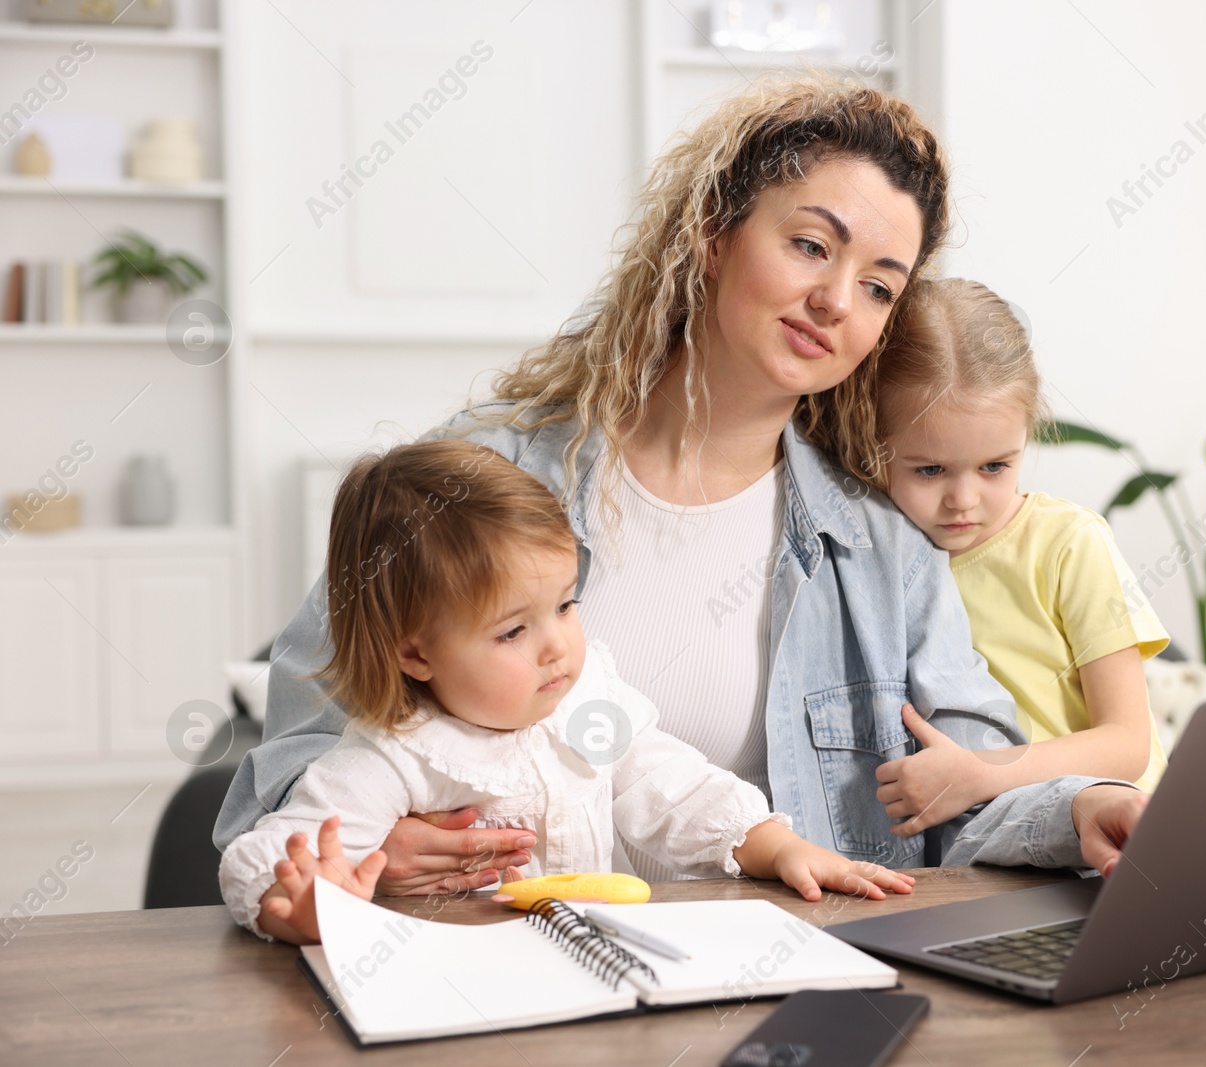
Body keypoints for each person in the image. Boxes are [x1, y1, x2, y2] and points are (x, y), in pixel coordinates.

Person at [215, 73, 1149, 893]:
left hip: (779, 978)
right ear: (710, 236)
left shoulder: (883, 549)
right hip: (499, 971)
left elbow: (965, 797)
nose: (837, 300)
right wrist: (376, 846)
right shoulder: (484, 480)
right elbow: (291, 759)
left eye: (879, 286)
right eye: (812, 246)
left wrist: (1081, 812)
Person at [221, 439, 913, 944]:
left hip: (593, 965)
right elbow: (270, 851)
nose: (557, 644)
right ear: (415, 651)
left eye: (565, 605)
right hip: (458, 990)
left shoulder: (581, 699)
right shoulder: (394, 756)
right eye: (512, 631)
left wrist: (771, 843)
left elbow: (665, 781)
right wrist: (305, 903)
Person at [868, 279, 1172, 835]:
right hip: (1005, 848)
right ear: (874, 443)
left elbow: (1127, 744)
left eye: (994, 467)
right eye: (929, 470)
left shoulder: (1070, 544)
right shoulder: (884, 560)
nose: (963, 500)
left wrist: (981, 773)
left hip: (1125, 836)